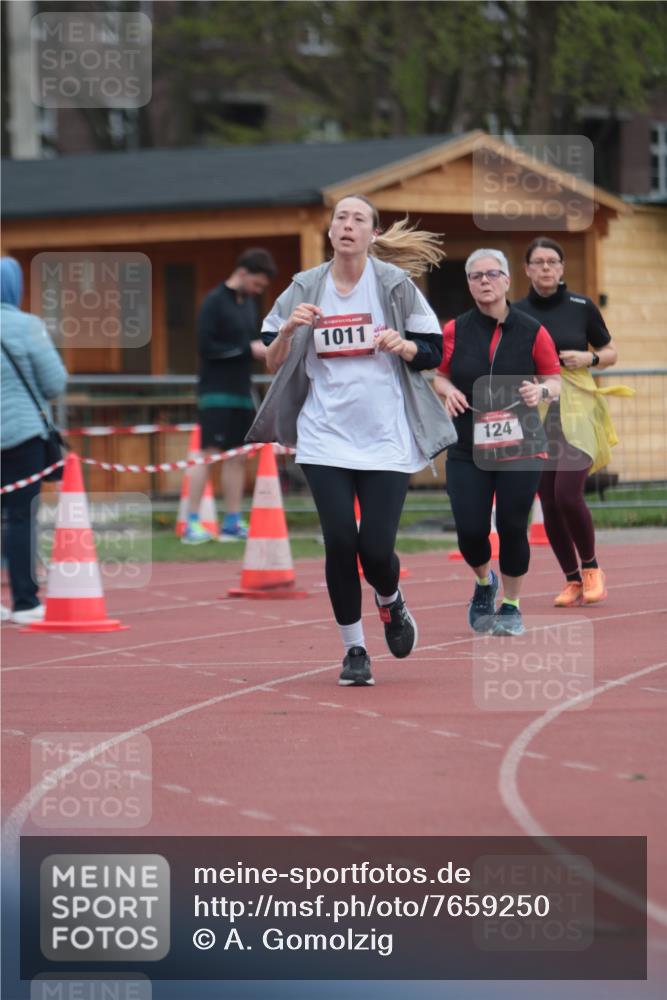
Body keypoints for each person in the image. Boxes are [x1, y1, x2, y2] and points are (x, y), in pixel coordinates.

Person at [246, 195, 455, 686]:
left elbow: (433, 349)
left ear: (372, 234)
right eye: (340, 217)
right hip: (324, 438)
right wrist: (290, 330)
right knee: (341, 543)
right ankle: (354, 649)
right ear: (331, 231)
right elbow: (271, 359)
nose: (347, 225)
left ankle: (391, 601)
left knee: (376, 551)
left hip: (385, 438)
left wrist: (403, 345)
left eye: (358, 219)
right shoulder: (304, 286)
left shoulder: (394, 285)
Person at [433, 250, 561, 636]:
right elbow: (436, 375)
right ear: (469, 284)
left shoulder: (532, 330)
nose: (484, 281)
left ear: (507, 280)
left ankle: (511, 604)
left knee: (511, 525)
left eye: (492, 274)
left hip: (520, 446)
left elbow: (554, 380)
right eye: (475, 276)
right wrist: (448, 390)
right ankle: (484, 581)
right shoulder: (454, 330)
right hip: (468, 446)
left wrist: (539, 391)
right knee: (471, 530)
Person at [515, 237, 619, 607]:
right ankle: (572, 580)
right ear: (526, 269)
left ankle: (591, 569)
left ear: (562, 268)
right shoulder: (517, 312)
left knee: (566, 494)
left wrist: (587, 359)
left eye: (552, 262)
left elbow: (611, 351)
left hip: (577, 404)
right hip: (537, 409)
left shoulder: (581, 306)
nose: (545, 268)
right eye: (538, 262)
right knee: (547, 498)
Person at [183, 248, 277, 544]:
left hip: (241, 391)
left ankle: (232, 522)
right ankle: (192, 522)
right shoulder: (213, 302)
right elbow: (205, 346)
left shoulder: (247, 304)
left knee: (237, 457)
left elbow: (252, 340)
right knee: (208, 455)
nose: (258, 291)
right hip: (215, 392)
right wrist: (246, 350)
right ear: (243, 273)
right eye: (257, 284)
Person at [1, 257, 68, 624]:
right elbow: (55, 382)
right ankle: (25, 602)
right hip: (21, 434)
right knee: (19, 517)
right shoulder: (27, 326)